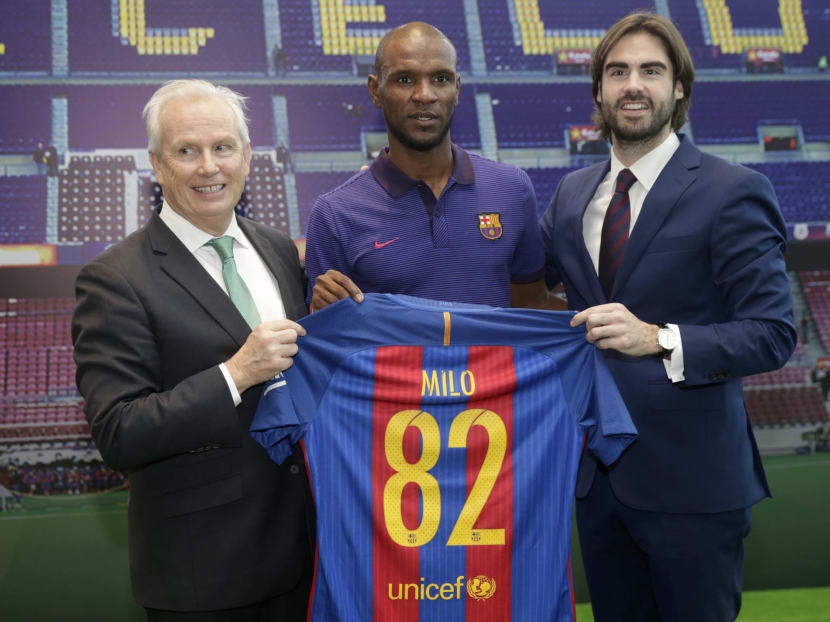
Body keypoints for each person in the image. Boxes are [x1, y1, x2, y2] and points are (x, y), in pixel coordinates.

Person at [540, 12, 796, 622]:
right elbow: (529, 293)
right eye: (618, 71)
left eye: (651, 71)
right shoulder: (572, 195)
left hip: (694, 485)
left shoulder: (732, 190)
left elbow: (772, 333)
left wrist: (656, 338)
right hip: (598, 482)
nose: (633, 85)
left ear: (679, 87)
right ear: (599, 89)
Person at [72, 79, 314, 621]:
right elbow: (119, 432)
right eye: (187, 151)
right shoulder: (114, 278)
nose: (209, 166)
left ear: (246, 157)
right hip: (203, 577)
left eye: (222, 147)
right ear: (157, 165)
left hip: (304, 557)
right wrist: (235, 374)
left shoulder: (279, 249)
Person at [305, 21, 562, 311]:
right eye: (405, 80)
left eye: (440, 79)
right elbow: (329, 328)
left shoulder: (512, 188)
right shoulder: (335, 214)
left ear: (457, 89)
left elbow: (532, 307)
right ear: (376, 90)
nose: (424, 95)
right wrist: (321, 311)